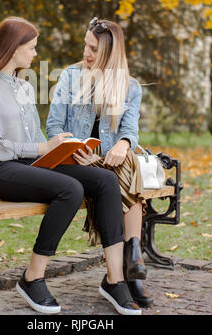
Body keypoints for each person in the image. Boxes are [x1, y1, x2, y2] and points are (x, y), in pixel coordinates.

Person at [0, 16, 142, 316]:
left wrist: (56, 149)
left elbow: (34, 137)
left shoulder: (24, 87)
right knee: (70, 188)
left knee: (103, 181)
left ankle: (115, 279)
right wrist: (42, 148)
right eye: (30, 48)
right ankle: (33, 277)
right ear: (12, 48)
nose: (34, 54)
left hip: (28, 163)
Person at [46, 17, 153, 308]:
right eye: (85, 45)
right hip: (76, 159)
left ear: (109, 53)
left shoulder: (129, 86)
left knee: (128, 160)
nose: (86, 53)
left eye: (93, 48)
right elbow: (54, 126)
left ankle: (128, 263)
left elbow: (130, 129)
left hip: (108, 162)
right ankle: (130, 264)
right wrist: (76, 148)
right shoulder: (70, 76)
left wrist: (121, 144)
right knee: (125, 173)